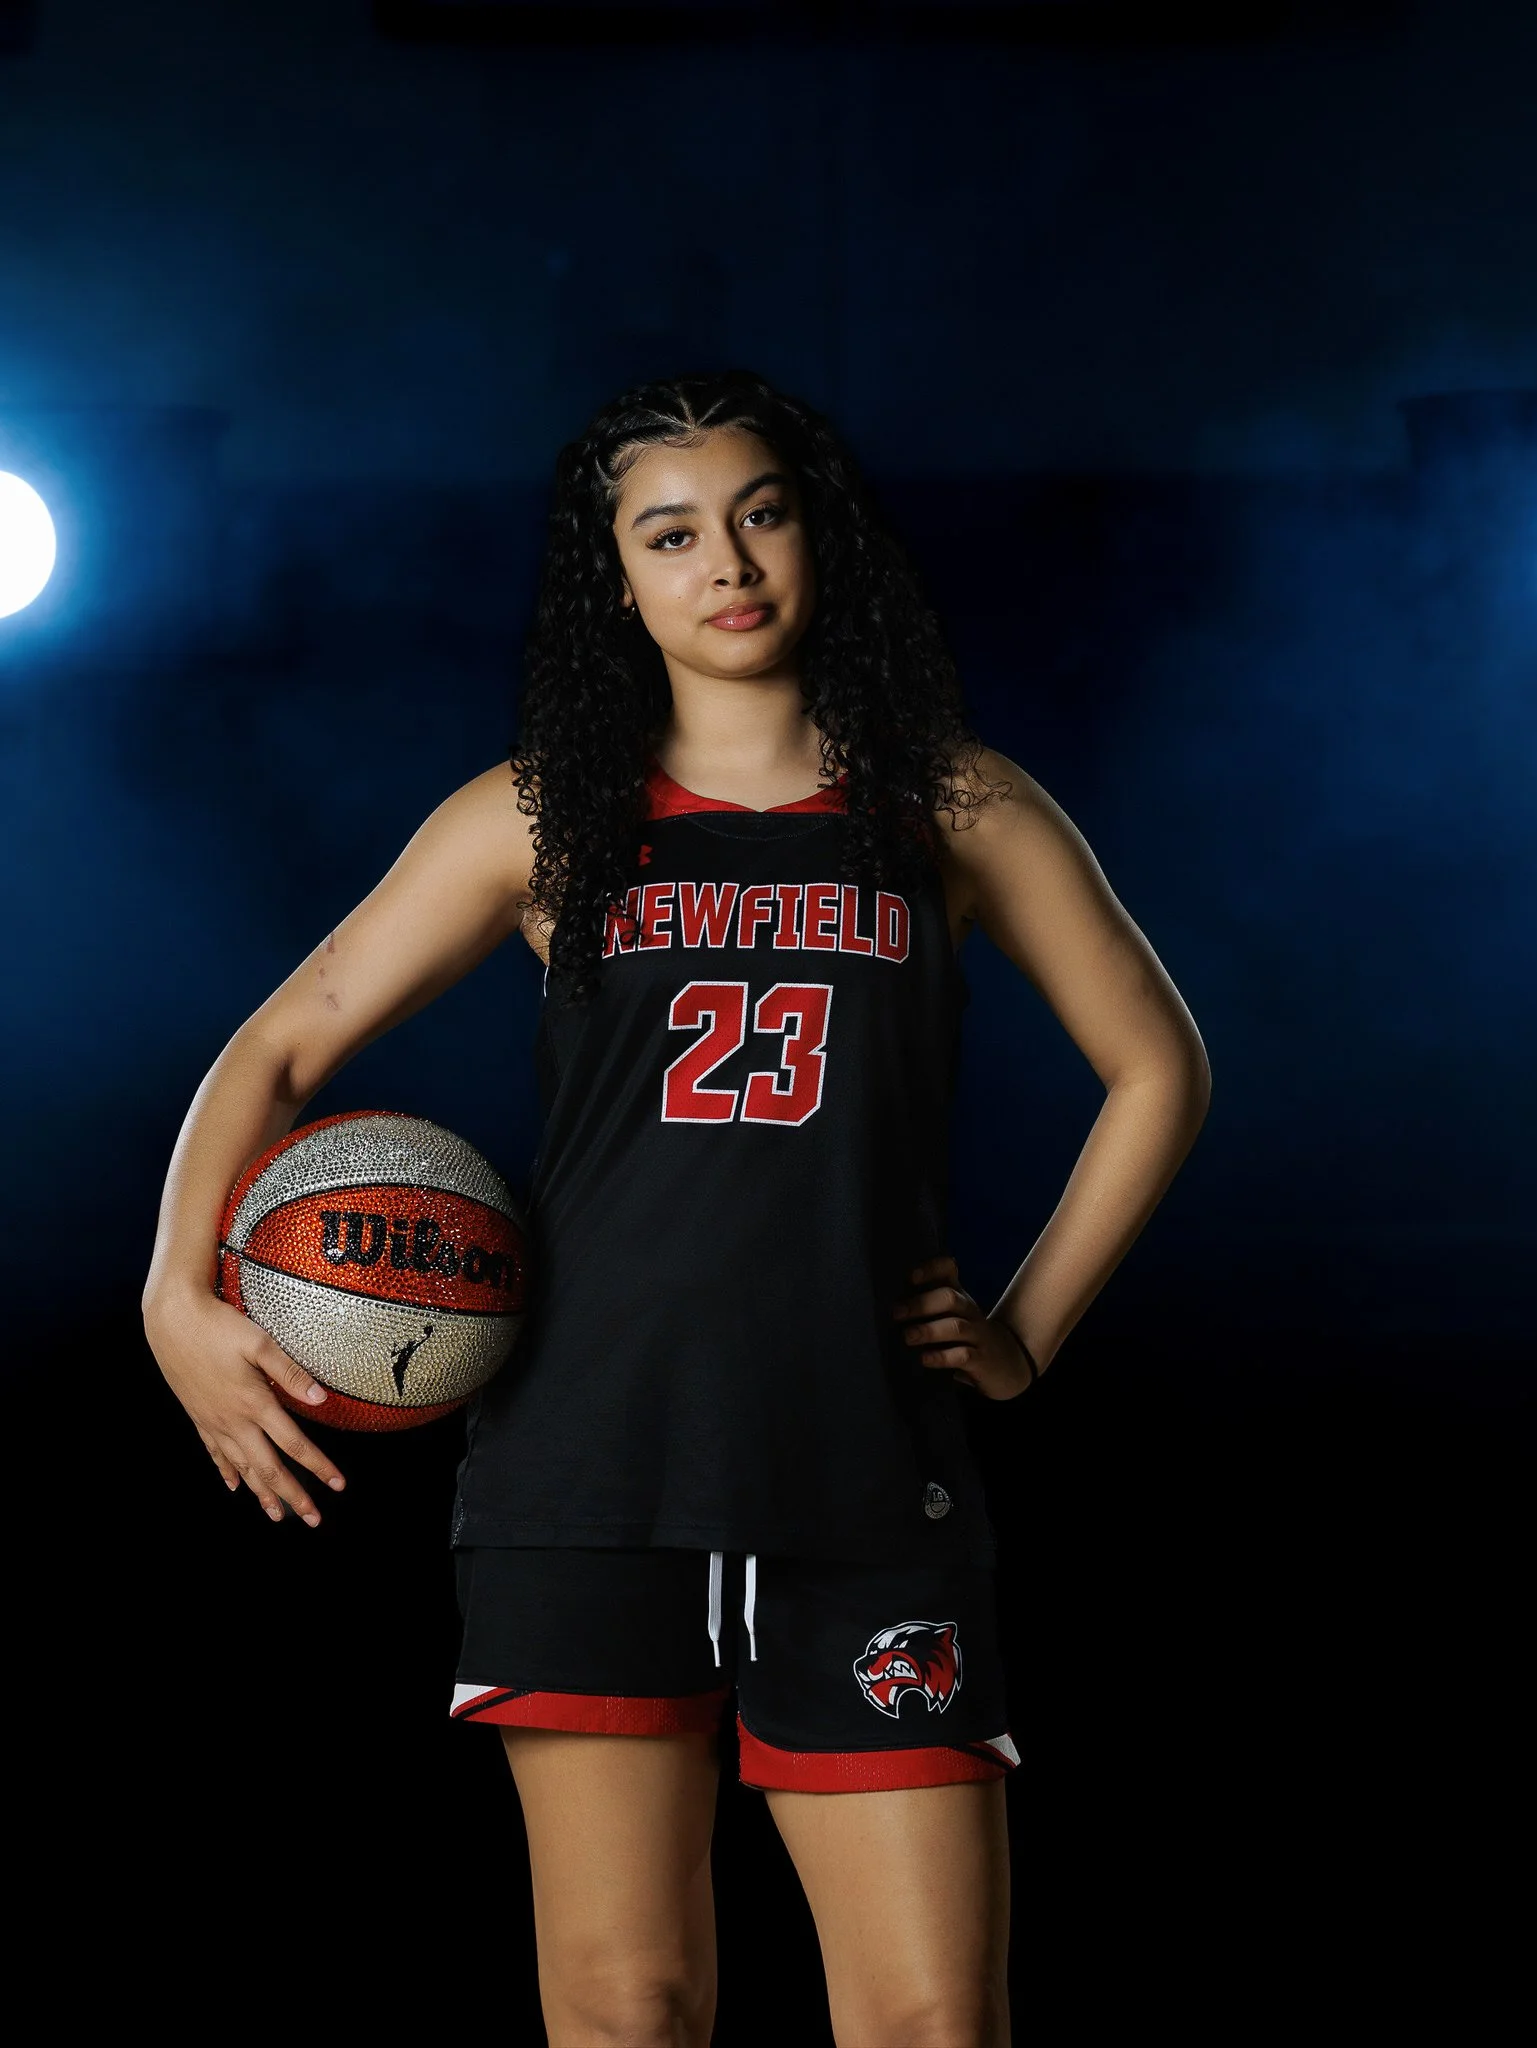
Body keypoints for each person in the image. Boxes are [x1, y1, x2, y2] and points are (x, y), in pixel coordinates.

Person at [142, 370, 1211, 2048]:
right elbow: (282, 1042)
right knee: (627, 2005)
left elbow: (1158, 1065)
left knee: (933, 2019)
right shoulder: (538, 817)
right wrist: (172, 1301)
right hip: (585, 1462)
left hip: (862, 1468)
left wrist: (1021, 1334)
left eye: (761, 512)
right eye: (670, 533)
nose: (726, 561)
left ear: (818, 537)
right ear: (618, 582)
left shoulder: (953, 802)